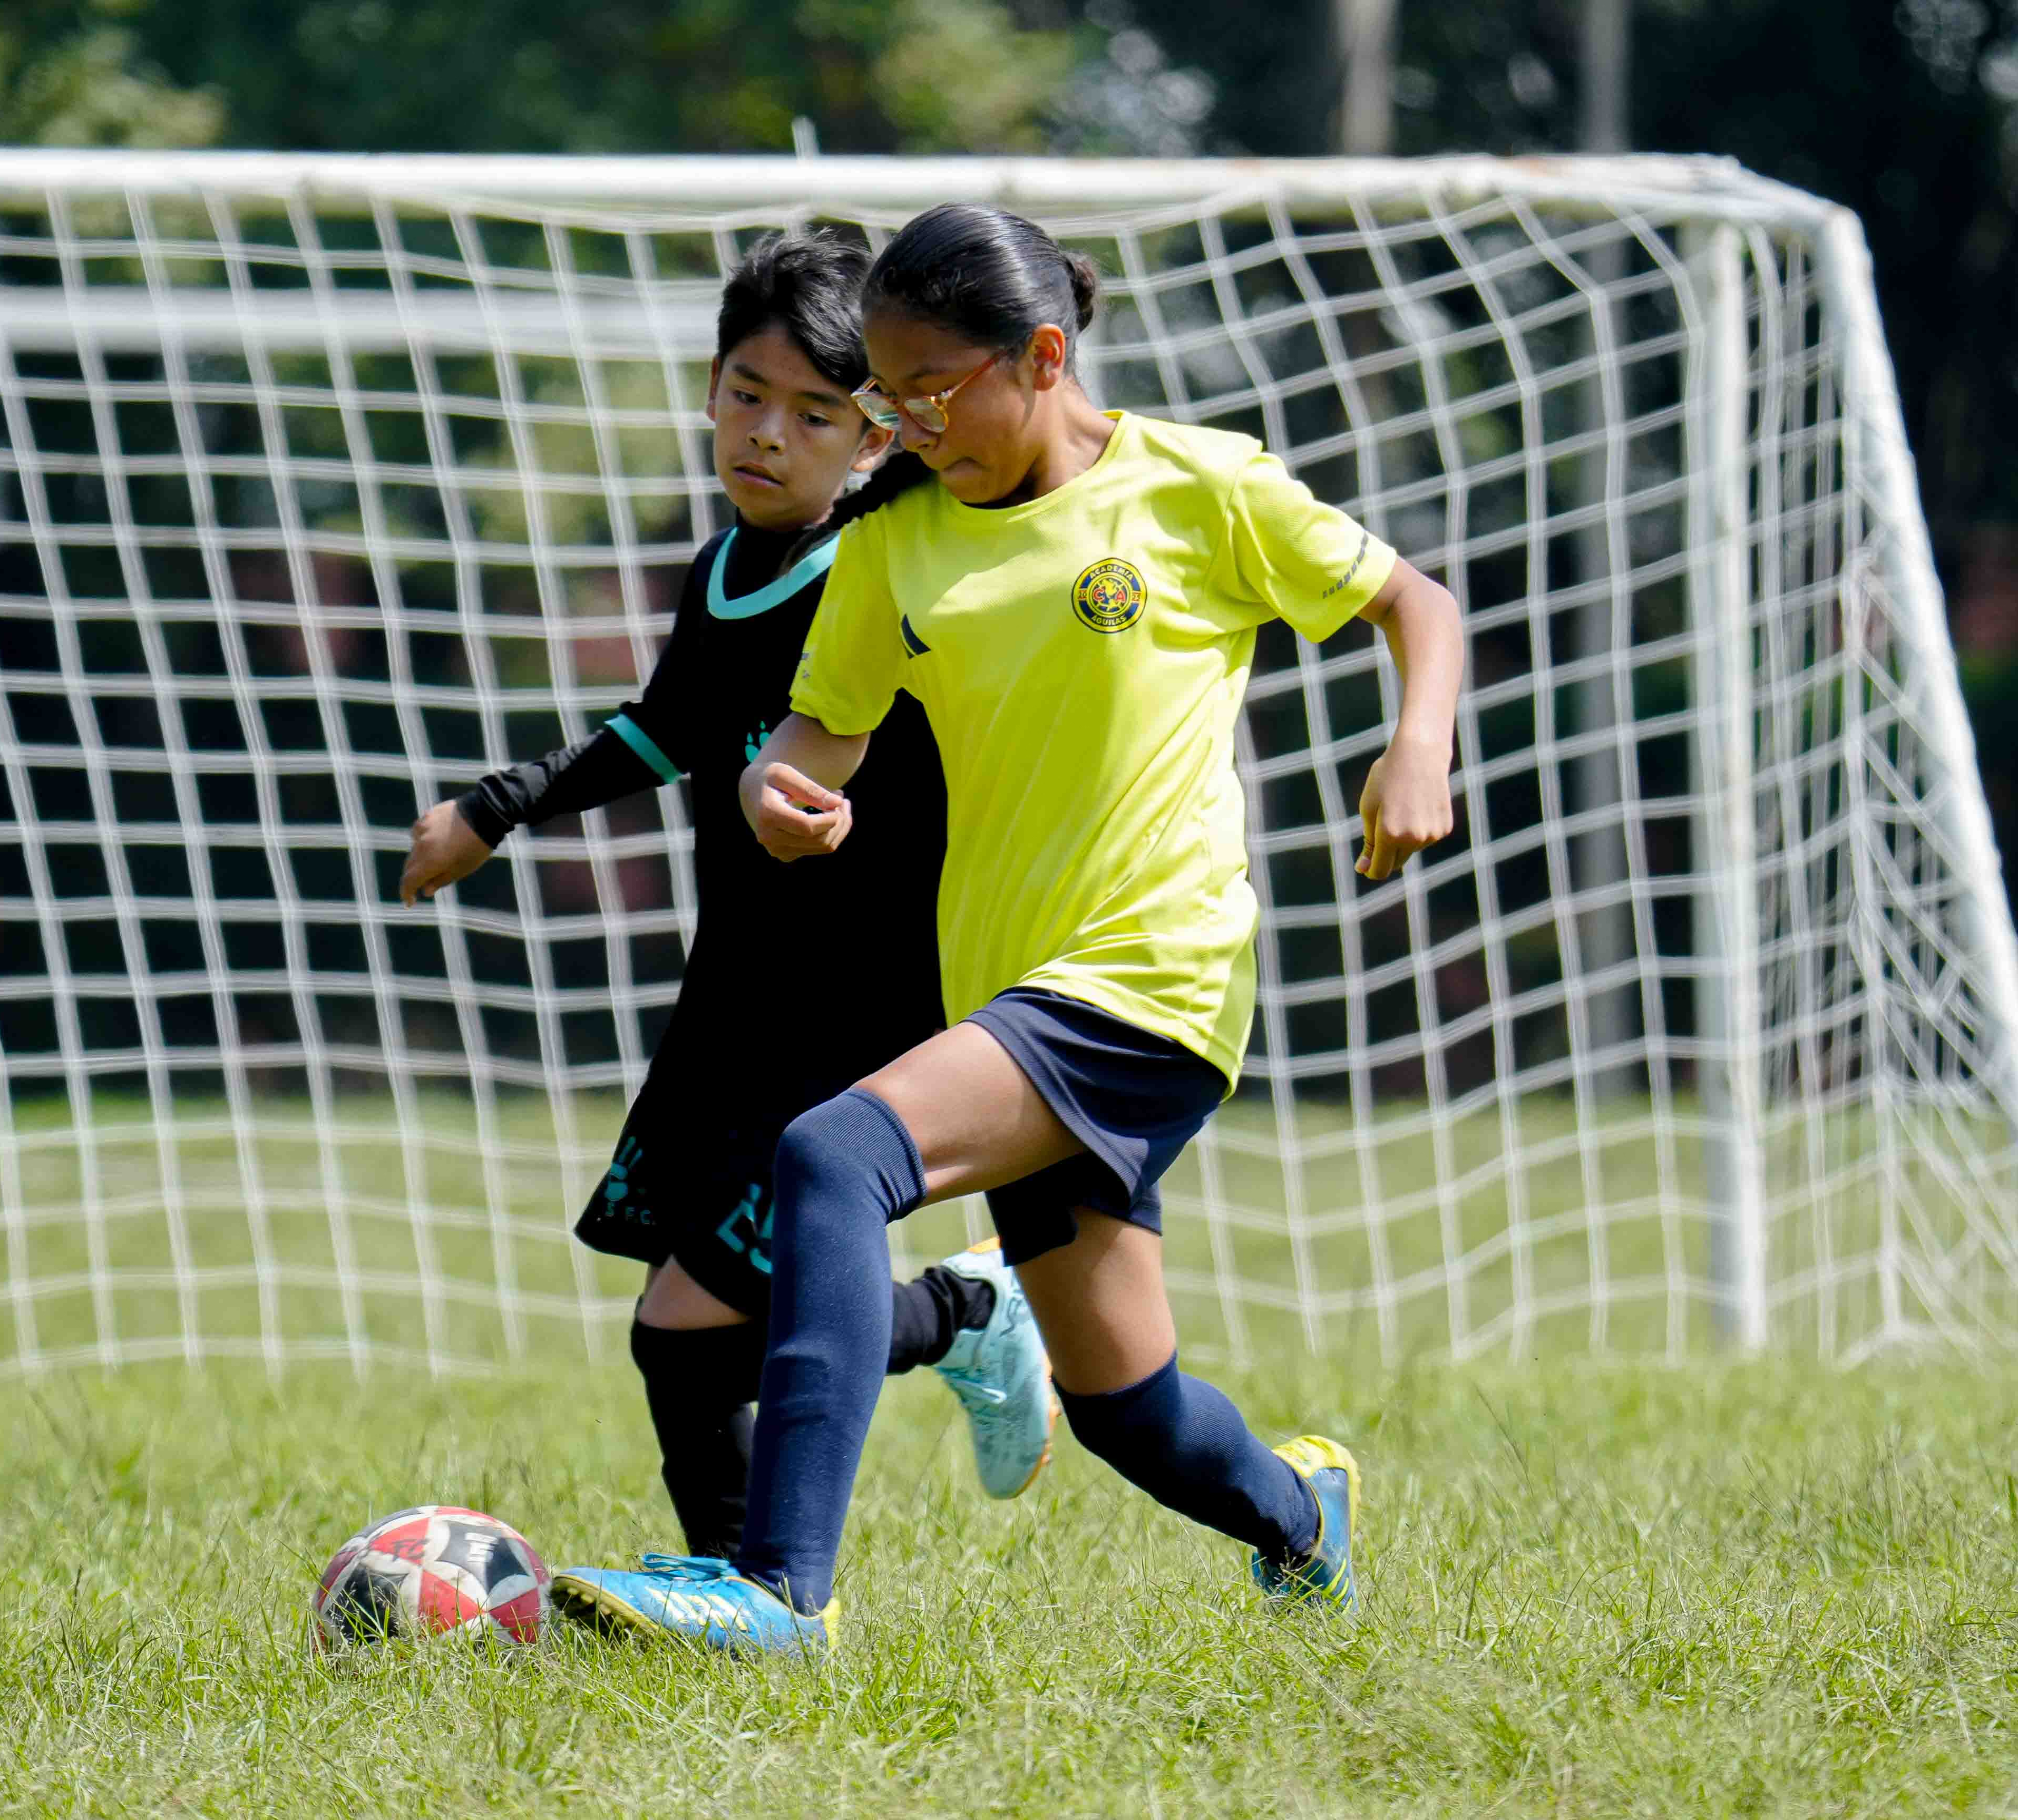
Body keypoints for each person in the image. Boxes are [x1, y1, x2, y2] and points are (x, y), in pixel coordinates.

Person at [551, 204, 1465, 1652]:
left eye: (930, 392)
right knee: (1124, 1409)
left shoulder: (1195, 486)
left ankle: (778, 1588)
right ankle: (1300, 1513)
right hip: (1009, 994)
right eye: (887, 402)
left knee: (829, 1153)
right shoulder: (894, 545)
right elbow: (815, 733)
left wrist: (1416, 745)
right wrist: (778, 793)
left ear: (1042, 356)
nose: (905, 427)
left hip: (1149, 978)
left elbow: (1414, 603)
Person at [398, 229, 1058, 1567]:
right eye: (746, 395)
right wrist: (493, 806)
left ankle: (954, 1326)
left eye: (816, 414)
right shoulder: (720, 570)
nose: (769, 434)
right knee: (677, 1335)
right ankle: (745, 1596)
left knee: (693, 1315)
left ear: (875, 438)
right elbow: (666, 729)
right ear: (708, 389)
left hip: (867, 1004)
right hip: (741, 995)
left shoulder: (894, 551)